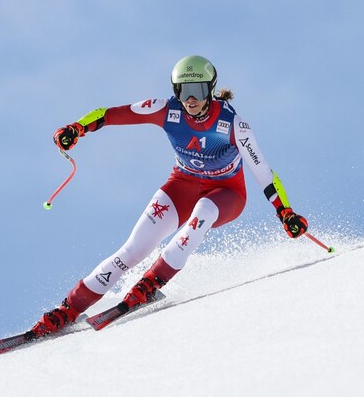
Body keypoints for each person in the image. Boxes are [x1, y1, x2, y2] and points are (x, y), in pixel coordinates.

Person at [29, 55, 309, 337]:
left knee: (204, 211)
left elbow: (264, 173)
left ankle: (150, 283)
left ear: (210, 90)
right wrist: (77, 128)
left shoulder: (233, 125)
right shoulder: (166, 110)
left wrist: (285, 212)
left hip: (226, 194)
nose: (190, 99)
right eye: (183, 91)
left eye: (197, 91)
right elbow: (108, 114)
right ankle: (69, 309)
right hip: (182, 186)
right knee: (132, 250)